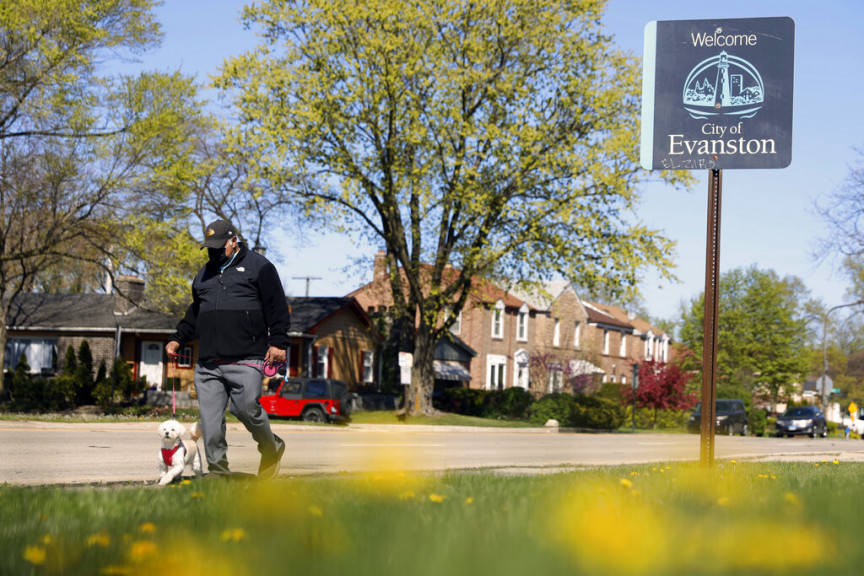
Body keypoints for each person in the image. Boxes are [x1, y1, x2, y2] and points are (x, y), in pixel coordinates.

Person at [165, 219, 290, 480]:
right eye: (208, 248)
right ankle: (218, 473)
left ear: (233, 241)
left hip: (247, 357)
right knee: (210, 425)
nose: (213, 253)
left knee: (246, 409)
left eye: (218, 247)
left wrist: (278, 342)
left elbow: (277, 306)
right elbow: (196, 312)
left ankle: (272, 447)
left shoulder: (259, 267)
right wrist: (178, 338)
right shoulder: (204, 274)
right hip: (209, 362)